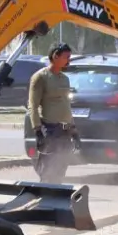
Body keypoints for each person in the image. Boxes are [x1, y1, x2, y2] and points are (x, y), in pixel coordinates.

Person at [28, 43, 77, 181]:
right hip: (49, 130)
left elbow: (66, 106)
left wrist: (74, 131)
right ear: (55, 56)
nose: (69, 60)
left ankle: (57, 192)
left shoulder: (65, 79)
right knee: (48, 170)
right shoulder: (40, 77)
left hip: (64, 132)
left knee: (61, 170)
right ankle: (45, 193)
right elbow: (33, 106)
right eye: (66, 57)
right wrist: (38, 132)